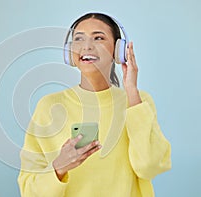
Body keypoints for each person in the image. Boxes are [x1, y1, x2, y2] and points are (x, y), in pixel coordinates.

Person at [17, 12, 171, 197]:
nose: (87, 46)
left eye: (98, 38)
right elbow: (28, 191)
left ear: (118, 50)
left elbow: (149, 167)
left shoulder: (138, 102)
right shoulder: (48, 106)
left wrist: (131, 90)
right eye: (79, 39)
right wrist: (58, 168)